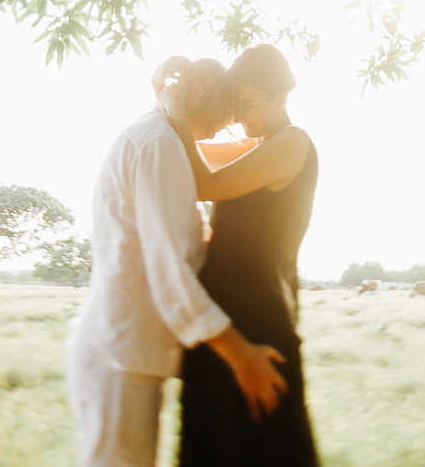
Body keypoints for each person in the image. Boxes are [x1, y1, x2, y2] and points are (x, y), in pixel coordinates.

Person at [66, 58, 289, 467]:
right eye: (228, 109)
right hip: (121, 358)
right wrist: (241, 356)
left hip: (129, 355)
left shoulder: (163, 138)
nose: (229, 124)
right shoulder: (160, 144)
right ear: (200, 84)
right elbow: (170, 271)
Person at [176, 44, 320, 467]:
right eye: (235, 107)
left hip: (258, 331)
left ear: (280, 94)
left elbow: (202, 182)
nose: (239, 117)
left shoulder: (293, 143)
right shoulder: (257, 144)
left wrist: (174, 108)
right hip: (222, 329)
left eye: (248, 104)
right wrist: (182, 104)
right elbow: (187, 150)